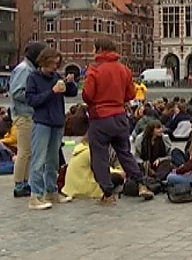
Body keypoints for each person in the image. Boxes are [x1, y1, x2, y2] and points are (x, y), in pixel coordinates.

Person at [82, 38, 153, 205]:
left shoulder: (95, 69)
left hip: (100, 117)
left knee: (99, 156)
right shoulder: (124, 70)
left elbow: (87, 95)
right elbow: (130, 95)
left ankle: (107, 193)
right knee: (125, 153)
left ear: (99, 50)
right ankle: (141, 183)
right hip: (120, 116)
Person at [25, 48, 78, 210]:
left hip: (57, 122)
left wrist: (70, 83)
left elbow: (72, 93)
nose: (55, 67)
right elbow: (31, 100)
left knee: (53, 160)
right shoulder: (33, 78)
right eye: (52, 64)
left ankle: (51, 191)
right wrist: (51, 91)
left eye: (57, 64)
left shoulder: (56, 76)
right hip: (42, 122)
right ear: (44, 62)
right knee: (39, 159)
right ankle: (35, 195)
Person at [62, 105, 125, 199]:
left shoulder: (81, 149)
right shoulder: (90, 152)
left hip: (71, 188)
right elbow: (104, 169)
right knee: (115, 179)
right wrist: (120, 172)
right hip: (83, 190)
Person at [8, 41, 46, 198]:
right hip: (23, 114)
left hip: (28, 114)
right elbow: (17, 92)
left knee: (28, 151)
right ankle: (19, 184)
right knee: (24, 151)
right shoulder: (24, 70)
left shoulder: (29, 69)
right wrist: (34, 96)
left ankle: (24, 181)